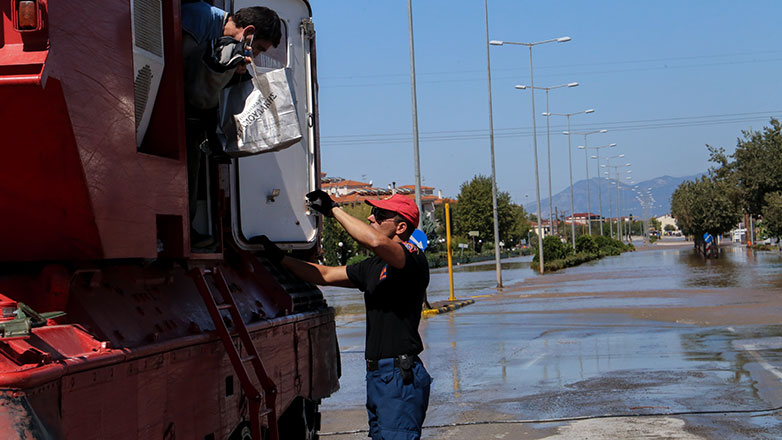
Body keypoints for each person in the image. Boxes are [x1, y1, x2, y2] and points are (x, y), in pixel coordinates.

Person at [259, 191, 432, 440]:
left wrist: (333, 210)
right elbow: (325, 275)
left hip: (399, 378)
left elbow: (375, 242)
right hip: (377, 375)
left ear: (401, 226)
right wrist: (279, 258)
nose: (372, 217)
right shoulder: (373, 267)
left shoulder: (413, 260)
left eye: (380, 215)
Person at [181, 2, 282, 246]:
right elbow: (179, 64)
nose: (254, 56)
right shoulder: (200, 17)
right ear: (248, 31)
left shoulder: (228, 41)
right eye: (257, 49)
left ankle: (186, 226)